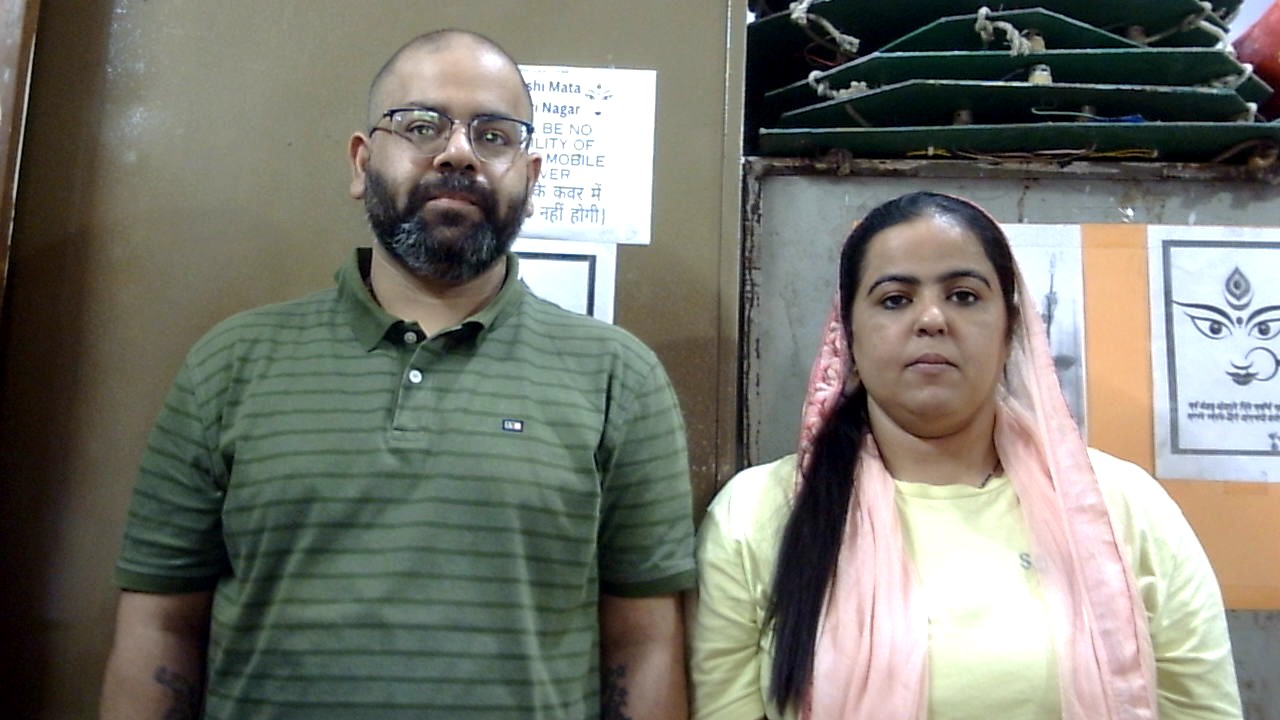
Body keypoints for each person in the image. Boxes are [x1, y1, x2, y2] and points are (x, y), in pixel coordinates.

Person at [99, 29, 695, 720]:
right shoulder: (229, 365)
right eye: (421, 126)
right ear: (361, 163)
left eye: (494, 136)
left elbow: (643, 645)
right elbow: (160, 628)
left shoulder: (619, 378)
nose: (458, 153)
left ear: (531, 180)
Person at [691, 191, 1242, 720]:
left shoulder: (1122, 508)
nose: (931, 318)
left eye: (964, 296)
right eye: (895, 299)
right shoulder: (759, 513)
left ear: (1011, 329)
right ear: (849, 336)